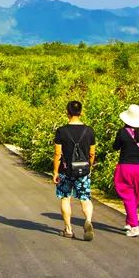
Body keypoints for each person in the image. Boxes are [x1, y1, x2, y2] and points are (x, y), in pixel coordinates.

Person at [53, 100, 96, 241]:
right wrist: (89, 166)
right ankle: (88, 220)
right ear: (81, 112)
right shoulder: (89, 131)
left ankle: (69, 229)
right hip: (83, 171)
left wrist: (55, 172)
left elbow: (57, 154)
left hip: (66, 171)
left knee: (66, 198)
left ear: (67, 112)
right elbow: (92, 153)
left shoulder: (62, 131)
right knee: (85, 198)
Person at [113, 104, 139, 237]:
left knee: (127, 196)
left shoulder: (122, 132)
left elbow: (115, 147)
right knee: (136, 195)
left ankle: (135, 227)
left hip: (125, 167)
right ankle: (130, 222)